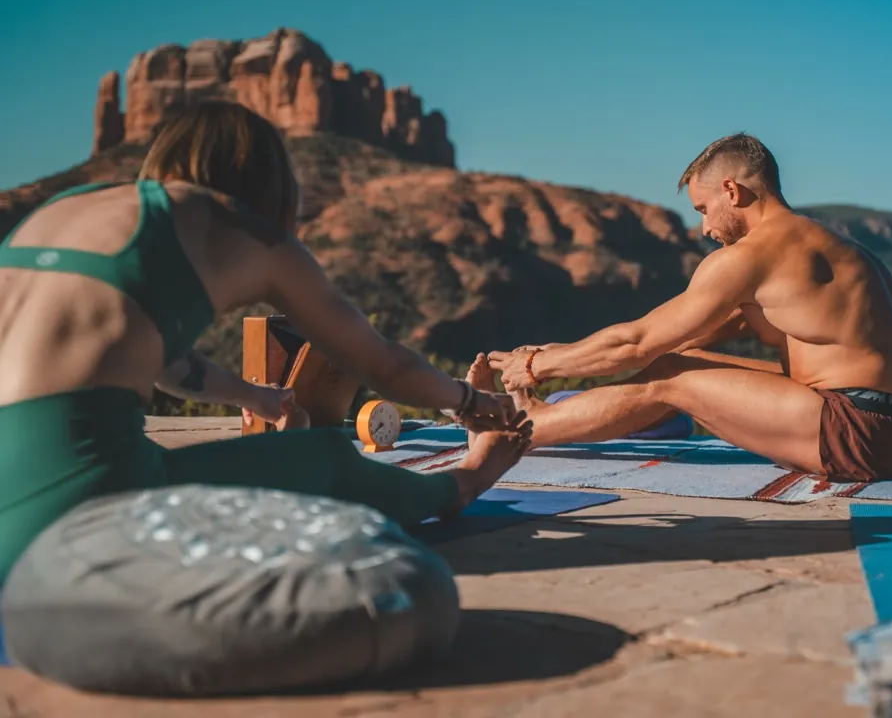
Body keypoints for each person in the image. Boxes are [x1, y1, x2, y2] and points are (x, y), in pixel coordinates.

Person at [0, 100, 531, 582]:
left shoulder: (71, 205)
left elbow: (165, 363)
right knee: (322, 459)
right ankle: (462, 485)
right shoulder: (243, 228)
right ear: (269, 181)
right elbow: (386, 366)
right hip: (79, 516)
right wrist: (473, 401)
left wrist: (252, 397)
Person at [482, 132, 892, 482]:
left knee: (670, 377)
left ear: (731, 191)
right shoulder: (827, 245)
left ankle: (521, 430)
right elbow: (682, 337)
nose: (702, 228)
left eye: (703, 208)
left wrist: (537, 365)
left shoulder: (750, 257)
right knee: (680, 361)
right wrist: (560, 351)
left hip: (860, 434)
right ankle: (548, 418)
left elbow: (636, 344)